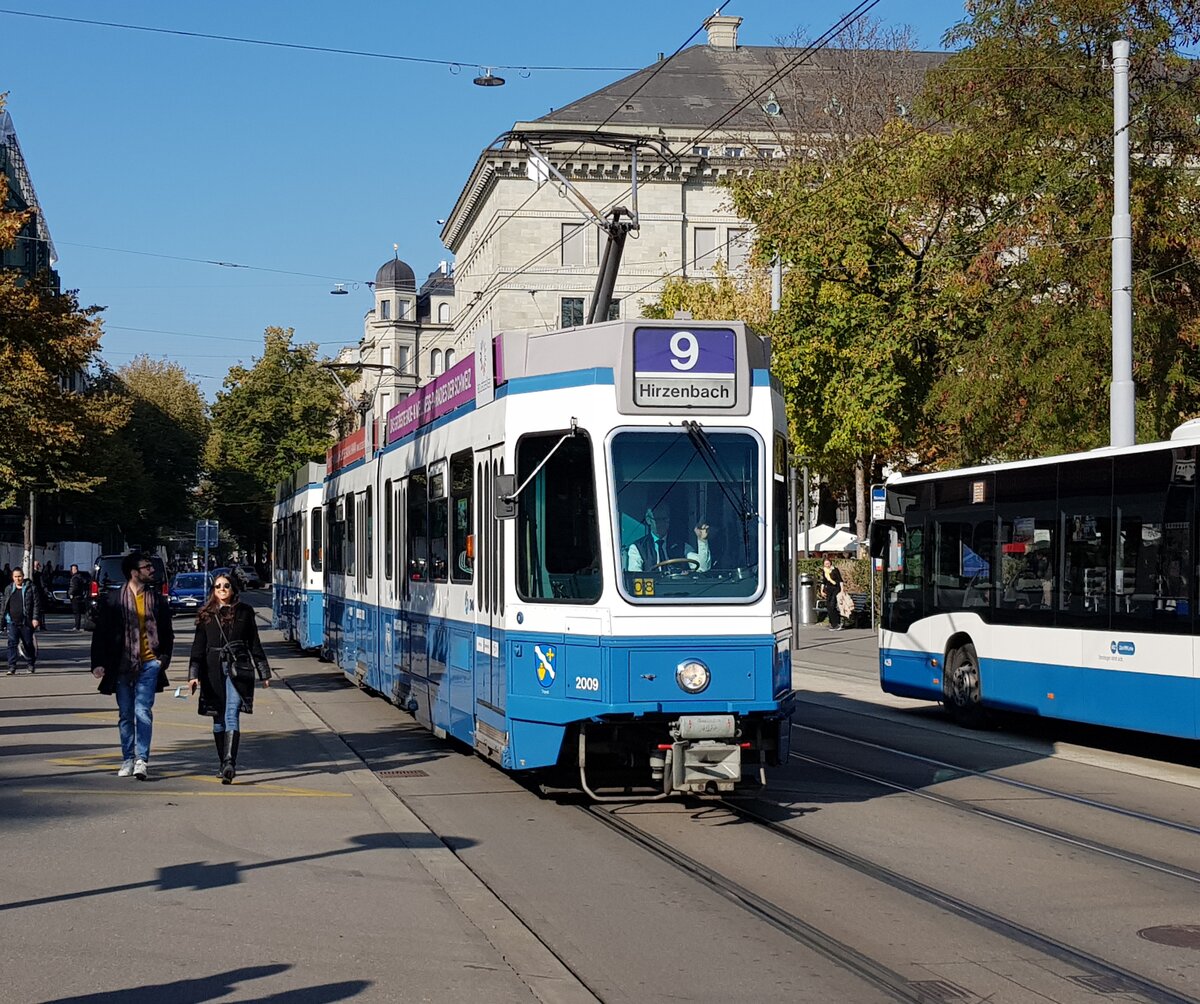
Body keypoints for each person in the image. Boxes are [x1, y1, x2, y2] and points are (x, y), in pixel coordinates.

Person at [90, 552, 175, 780]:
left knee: (142, 712)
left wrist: (162, 661)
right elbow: (100, 634)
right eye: (147, 567)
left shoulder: (156, 599)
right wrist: (97, 663)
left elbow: (167, 633)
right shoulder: (113, 600)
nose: (152, 570)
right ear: (134, 572)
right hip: (121, 665)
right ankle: (127, 758)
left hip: (149, 664)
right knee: (126, 714)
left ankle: (141, 760)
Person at [185, 573, 271, 784]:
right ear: (213, 591)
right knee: (218, 716)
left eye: (226, 586)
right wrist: (193, 675)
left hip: (237, 668)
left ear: (233, 589)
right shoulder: (206, 614)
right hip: (212, 668)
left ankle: (230, 762)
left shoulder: (245, 612)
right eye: (218, 587)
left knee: (232, 713)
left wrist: (264, 672)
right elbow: (197, 648)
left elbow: (254, 644)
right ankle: (222, 762)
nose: (222, 589)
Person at [625, 508, 712, 572]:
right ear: (648, 520)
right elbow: (635, 576)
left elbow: (703, 568)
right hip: (652, 595)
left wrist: (702, 541)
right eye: (658, 519)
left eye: (665, 519)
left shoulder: (681, 546)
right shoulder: (637, 548)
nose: (662, 523)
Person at [4, 568, 41, 674]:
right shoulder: (9, 589)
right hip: (12, 621)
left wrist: (35, 618)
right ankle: (11, 667)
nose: (18, 579)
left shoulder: (31, 588)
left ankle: (30, 664)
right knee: (12, 644)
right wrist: (3, 620)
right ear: (12, 577)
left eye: (19, 576)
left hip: (26, 621)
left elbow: (36, 604)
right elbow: (4, 605)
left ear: (23, 576)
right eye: (15, 577)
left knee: (28, 643)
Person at [821, 557, 845, 630]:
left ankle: (836, 623)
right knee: (828, 606)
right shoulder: (825, 571)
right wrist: (821, 590)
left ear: (830, 563)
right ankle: (832, 623)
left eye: (828, 563)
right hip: (828, 589)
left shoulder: (835, 570)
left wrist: (842, 590)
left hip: (836, 588)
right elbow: (823, 582)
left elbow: (840, 580)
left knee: (832, 605)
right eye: (825, 564)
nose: (827, 565)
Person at [67, 563, 87, 631]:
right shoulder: (80, 577)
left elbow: (74, 587)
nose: (71, 571)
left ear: (75, 570)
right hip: (79, 596)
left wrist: (70, 594)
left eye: (72, 569)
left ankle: (77, 626)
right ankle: (77, 625)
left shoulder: (75, 578)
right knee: (78, 612)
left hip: (75, 597)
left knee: (76, 612)